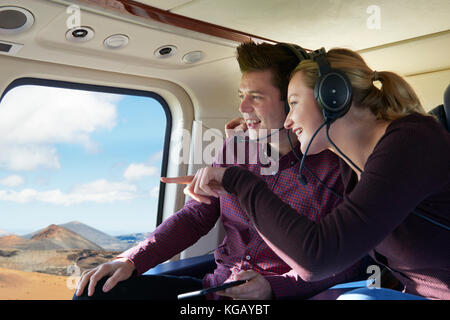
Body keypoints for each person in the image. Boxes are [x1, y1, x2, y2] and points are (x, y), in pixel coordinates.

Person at [74, 42, 367, 300]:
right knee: (97, 291)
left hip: (277, 297)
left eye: (257, 97)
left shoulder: (339, 169)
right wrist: (132, 260)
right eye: (241, 95)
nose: (242, 107)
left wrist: (273, 288)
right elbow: (195, 216)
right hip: (213, 288)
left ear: (292, 100)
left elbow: (346, 263)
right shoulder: (235, 147)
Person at [182, 47, 450, 300]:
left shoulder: (411, 143)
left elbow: (317, 259)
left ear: (333, 97)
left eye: (294, 103)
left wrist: (237, 181)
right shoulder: (352, 167)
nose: (288, 120)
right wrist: (250, 141)